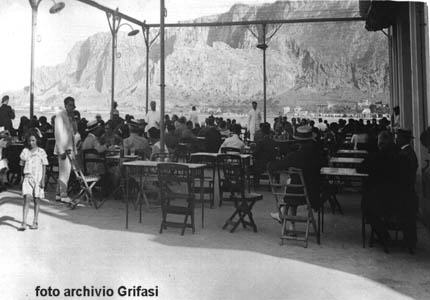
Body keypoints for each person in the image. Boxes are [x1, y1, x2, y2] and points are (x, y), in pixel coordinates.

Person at [268, 125, 324, 228]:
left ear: (298, 141)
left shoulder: (295, 156)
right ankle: (288, 220)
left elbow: (274, 166)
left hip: (296, 195)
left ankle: (285, 216)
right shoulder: (318, 154)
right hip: (314, 193)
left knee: (292, 183)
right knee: (294, 182)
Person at [18, 131, 48, 231]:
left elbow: (44, 166)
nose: (31, 143)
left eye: (33, 140)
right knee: (26, 198)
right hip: (27, 177)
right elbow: (21, 165)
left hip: (38, 179)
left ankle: (35, 221)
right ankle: (24, 222)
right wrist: (21, 178)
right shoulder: (25, 151)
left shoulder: (41, 152)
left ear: (37, 141)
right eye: (29, 141)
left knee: (36, 199)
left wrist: (43, 179)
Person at [396, 129, 418, 250]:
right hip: (409, 189)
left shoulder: (404, 154)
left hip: (405, 190)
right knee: (408, 218)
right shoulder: (408, 151)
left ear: (403, 139)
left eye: (398, 138)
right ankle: (410, 241)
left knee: (407, 217)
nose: (397, 140)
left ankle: (409, 242)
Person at [54, 96, 78, 203]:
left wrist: (73, 120)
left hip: (70, 148)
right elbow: (58, 134)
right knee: (64, 172)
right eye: (70, 105)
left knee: (65, 172)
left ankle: (58, 194)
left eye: (73, 105)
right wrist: (61, 150)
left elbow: (75, 132)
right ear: (65, 105)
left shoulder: (70, 117)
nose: (72, 107)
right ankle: (64, 195)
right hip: (63, 149)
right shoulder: (60, 116)